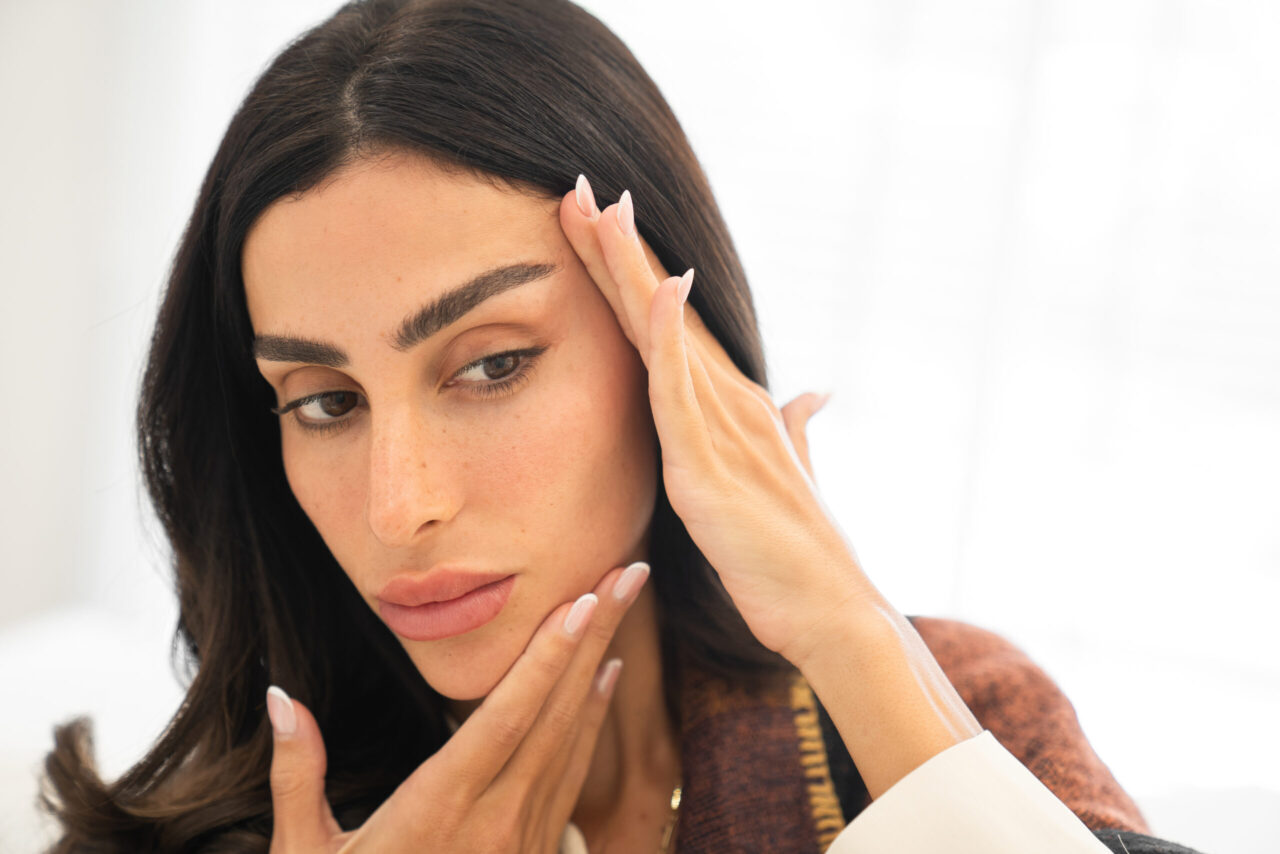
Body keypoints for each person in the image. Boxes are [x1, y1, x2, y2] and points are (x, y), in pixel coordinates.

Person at [39, 1, 1205, 852]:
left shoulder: (952, 716)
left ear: (669, 354)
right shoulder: (210, 829)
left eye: (490, 364)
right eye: (327, 402)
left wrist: (847, 627)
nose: (400, 505)